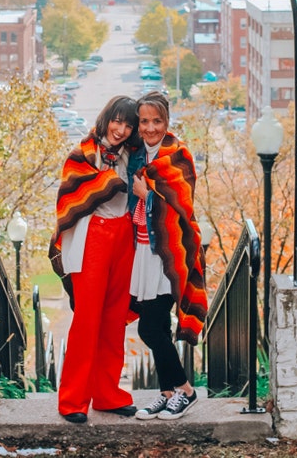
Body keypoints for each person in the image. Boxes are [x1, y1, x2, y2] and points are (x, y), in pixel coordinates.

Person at [49, 95, 140, 424]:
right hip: (93, 238)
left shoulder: (132, 154)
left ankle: (108, 394)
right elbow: (70, 194)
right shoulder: (84, 151)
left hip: (124, 238)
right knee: (87, 319)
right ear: (107, 118)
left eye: (129, 124)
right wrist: (111, 182)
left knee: (115, 320)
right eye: (117, 121)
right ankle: (73, 400)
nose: (121, 129)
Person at [128, 90, 207, 421]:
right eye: (144, 121)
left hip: (169, 253)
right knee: (157, 324)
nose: (149, 128)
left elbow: (183, 205)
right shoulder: (133, 156)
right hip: (143, 250)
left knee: (148, 329)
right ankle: (166, 393)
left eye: (156, 121)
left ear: (167, 122)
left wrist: (149, 194)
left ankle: (186, 392)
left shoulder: (179, 156)